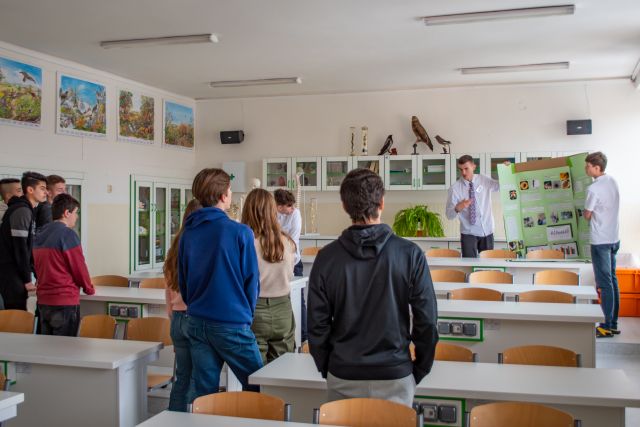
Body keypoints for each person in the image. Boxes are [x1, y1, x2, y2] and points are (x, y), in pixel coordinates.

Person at [307, 168, 439, 407]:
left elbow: (317, 324)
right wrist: (419, 368)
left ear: (344, 206)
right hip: (395, 373)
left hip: (343, 373)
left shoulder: (326, 257)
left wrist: (327, 366)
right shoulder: (410, 254)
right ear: (382, 203)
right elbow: (427, 320)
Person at [179, 168, 262, 398]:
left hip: (197, 320)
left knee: (203, 394)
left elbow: (183, 281)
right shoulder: (240, 232)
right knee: (259, 385)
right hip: (232, 321)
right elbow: (252, 282)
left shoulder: (188, 233)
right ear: (224, 195)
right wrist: (245, 315)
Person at [243, 189, 296, 364]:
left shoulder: (246, 242)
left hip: (255, 310)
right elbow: (290, 273)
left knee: (256, 373)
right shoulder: (287, 241)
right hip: (283, 309)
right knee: (281, 370)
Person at [33, 194, 94, 336]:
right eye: (76, 212)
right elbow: (78, 267)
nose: (76, 217)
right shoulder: (68, 234)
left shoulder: (40, 233)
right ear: (67, 213)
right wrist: (88, 288)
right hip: (64, 301)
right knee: (65, 347)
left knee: (45, 347)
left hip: (43, 301)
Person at [163, 198, 201, 412]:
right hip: (195, 318)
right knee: (197, 378)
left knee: (182, 377)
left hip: (177, 318)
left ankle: (174, 418)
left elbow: (167, 288)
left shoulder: (175, 246)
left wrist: (171, 312)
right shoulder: (200, 246)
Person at [584, 152, 620, 338]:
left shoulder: (594, 188)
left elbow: (587, 214)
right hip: (614, 238)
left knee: (604, 284)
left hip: (600, 241)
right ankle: (612, 324)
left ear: (597, 167)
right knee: (612, 280)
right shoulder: (612, 181)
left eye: (588, 166)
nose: (586, 168)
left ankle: (605, 326)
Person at [0, 171, 47, 310]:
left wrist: (36, 274)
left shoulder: (27, 210)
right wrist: (27, 279)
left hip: (16, 274)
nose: (46, 192)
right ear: (30, 190)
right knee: (15, 315)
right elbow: (20, 248)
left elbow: (28, 248)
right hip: (11, 274)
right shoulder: (22, 211)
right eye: (42, 188)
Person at [446, 155, 500, 257]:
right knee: (469, 264)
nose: (463, 173)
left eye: (466, 168)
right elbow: (449, 215)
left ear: (473, 167)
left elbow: (499, 186)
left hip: (487, 231)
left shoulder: (484, 180)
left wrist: (505, 170)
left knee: (488, 265)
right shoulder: (455, 189)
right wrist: (458, 208)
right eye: (460, 169)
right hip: (468, 234)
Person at [274, 189, 307, 343]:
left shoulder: (295, 214)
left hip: (293, 261)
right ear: (279, 206)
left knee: (298, 298)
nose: (292, 208)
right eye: (289, 206)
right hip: (275, 262)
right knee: (281, 298)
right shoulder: (272, 214)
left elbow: (292, 241)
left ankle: (303, 336)